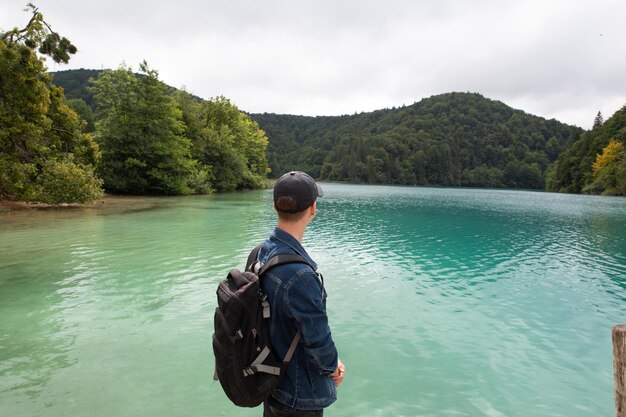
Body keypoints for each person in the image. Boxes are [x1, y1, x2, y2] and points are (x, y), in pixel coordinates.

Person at [256, 171, 345, 417]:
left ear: (275, 206)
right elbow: (317, 338)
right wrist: (333, 366)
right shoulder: (300, 274)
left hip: (270, 380)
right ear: (313, 209)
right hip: (298, 394)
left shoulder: (260, 253)